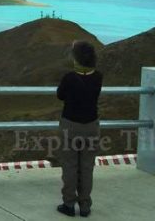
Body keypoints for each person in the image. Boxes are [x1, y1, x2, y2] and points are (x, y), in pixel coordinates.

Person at [56, 40, 103, 218]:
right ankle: (85, 206)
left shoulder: (69, 77)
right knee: (86, 167)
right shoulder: (98, 76)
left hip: (70, 125)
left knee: (70, 166)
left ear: (76, 59)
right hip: (91, 125)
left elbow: (60, 95)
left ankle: (68, 204)